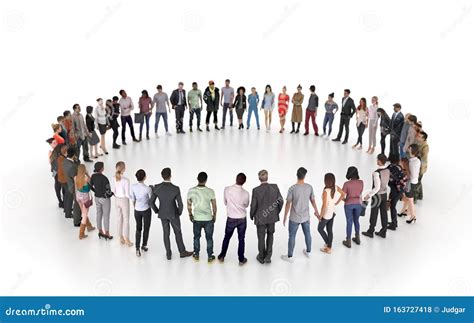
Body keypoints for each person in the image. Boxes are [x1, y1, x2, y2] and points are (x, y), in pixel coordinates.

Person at [150, 167, 193, 260]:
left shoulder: (157, 187)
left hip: (162, 214)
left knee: (166, 233)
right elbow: (180, 204)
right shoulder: (175, 188)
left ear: (162, 176)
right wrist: (179, 212)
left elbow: (151, 202)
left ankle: (168, 254)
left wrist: (157, 210)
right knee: (178, 232)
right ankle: (182, 252)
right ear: (170, 176)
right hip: (174, 214)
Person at [281, 167, 319, 262]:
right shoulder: (309, 187)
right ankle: (309, 252)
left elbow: (288, 204)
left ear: (296, 175)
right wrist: (317, 212)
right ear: (304, 176)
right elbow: (313, 201)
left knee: (292, 236)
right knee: (307, 234)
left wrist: (285, 216)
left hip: (294, 218)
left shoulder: (292, 188)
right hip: (306, 217)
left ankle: (290, 257)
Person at [250, 170, 283, 264]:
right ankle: (268, 256)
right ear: (267, 177)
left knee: (261, 237)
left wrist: (251, 215)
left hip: (260, 218)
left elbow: (253, 205)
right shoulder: (275, 187)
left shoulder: (256, 190)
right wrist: (276, 212)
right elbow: (280, 201)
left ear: (259, 178)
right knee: (270, 235)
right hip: (272, 217)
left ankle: (261, 256)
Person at [218, 173, 250, 265]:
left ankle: (222, 256)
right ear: (244, 182)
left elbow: (225, 202)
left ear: (236, 178)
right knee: (241, 239)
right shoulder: (246, 193)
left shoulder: (227, 189)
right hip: (242, 219)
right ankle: (241, 259)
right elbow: (246, 205)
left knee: (226, 237)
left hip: (231, 218)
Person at [187, 172, 217, 262]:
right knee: (209, 238)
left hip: (196, 218)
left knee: (196, 237)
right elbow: (214, 207)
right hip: (208, 219)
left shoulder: (191, 190)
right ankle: (210, 256)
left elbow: (189, 205)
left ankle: (196, 254)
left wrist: (190, 215)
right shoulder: (211, 191)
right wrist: (214, 216)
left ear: (197, 178)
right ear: (206, 180)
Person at [362, 154, 390, 238]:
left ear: (380, 161)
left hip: (377, 196)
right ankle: (383, 231)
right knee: (384, 213)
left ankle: (371, 231)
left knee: (374, 213)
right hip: (385, 194)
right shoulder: (387, 170)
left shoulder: (376, 173)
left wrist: (368, 195)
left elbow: (377, 187)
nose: (376, 161)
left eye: (377, 160)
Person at [317, 173, 344, 254]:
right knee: (329, 230)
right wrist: (337, 202)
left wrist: (320, 216)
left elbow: (324, 206)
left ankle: (328, 245)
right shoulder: (335, 187)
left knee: (320, 228)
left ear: (326, 181)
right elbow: (343, 194)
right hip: (333, 212)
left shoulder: (326, 191)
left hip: (326, 214)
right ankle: (329, 247)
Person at [130, 169, 152, 257]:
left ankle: (137, 248)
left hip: (137, 210)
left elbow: (133, 199)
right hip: (146, 210)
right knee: (146, 228)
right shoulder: (148, 188)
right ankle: (144, 245)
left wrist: (135, 207)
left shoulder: (133, 186)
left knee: (138, 228)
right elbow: (151, 200)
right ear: (145, 177)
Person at [90, 161, 114, 240]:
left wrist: (96, 191)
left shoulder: (93, 176)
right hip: (105, 199)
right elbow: (108, 191)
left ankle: (100, 231)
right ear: (101, 169)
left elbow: (90, 186)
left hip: (97, 198)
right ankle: (107, 233)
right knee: (106, 215)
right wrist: (112, 193)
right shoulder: (104, 178)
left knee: (99, 214)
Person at [341, 166, 364, 248]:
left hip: (349, 204)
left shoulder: (346, 184)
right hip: (358, 204)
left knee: (349, 221)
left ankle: (348, 241)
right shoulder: (361, 182)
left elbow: (342, 195)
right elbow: (360, 193)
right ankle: (357, 238)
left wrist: (344, 200)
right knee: (356, 220)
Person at [113, 161, 133, 247]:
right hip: (124, 201)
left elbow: (113, 190)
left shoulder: (114, 177)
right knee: (126, 220)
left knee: (119, 219)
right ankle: (127, 239)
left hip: (116, 199)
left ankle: (120, 237)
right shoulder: (126, 180)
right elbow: (127, 194)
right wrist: (133, 198)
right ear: (124, 169)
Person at [74, 164, 96, 239]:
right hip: (85, 198)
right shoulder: (86, 178)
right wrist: (87, 173)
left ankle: (89, 226)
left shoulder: (75, 177)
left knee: (84, 212)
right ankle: (81, 233)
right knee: (84, 215)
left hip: (78, 196)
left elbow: (76, 188)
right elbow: (91, 181)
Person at [386, 155, 407, 231]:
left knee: (392, 206)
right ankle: (394, 222)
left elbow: (387, 175)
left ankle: (394, 224)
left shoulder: (391, 168)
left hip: (396, 190)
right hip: (399, 189)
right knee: (392, 205)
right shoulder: (398, 167)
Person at [62, 147, 80, 223]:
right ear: (74, 155)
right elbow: (75, 178)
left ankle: (68, 214)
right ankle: (77, 221)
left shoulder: (65, 161)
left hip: (68, 183)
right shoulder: (72, 166)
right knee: (77, 204)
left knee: (70, 200)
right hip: (73, 186)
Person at [404, 144, 421, 223]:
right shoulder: (416, 160)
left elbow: (413, 174)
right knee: (409, 199)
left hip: (411, 182)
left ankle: (413, 216)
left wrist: (406, 172)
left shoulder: (413, 162)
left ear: (413, 151)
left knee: (410, 200)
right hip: (414, 182)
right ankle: (407, 212)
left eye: (410, 148)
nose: (408, 149)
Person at [415, 131, 429, 201]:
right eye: (418, 136)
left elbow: (424, 158)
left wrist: (417, 156)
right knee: (418, 181)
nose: (418, 137)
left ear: (423, 139)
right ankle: (420, 196)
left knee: (417, 181)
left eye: (420, 137)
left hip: (421, 167)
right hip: (417, 165)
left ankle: (416, 197)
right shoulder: (418, 143)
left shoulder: (425, 146)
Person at [49, 143, 64, 208]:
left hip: (55, 173)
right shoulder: (59, 158)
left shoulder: (53, 155)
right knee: (63, 187)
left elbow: (52, 169)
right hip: (59, 173)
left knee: (57, 187)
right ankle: (62, 202)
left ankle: (60, 201)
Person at [56, 145, 68, 211]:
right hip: (64, 179)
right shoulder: (65, 160)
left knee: (64, 192)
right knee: (66, 193)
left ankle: (64, 205)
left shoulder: (59, 158)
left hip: (60, 178)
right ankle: (66, 208)